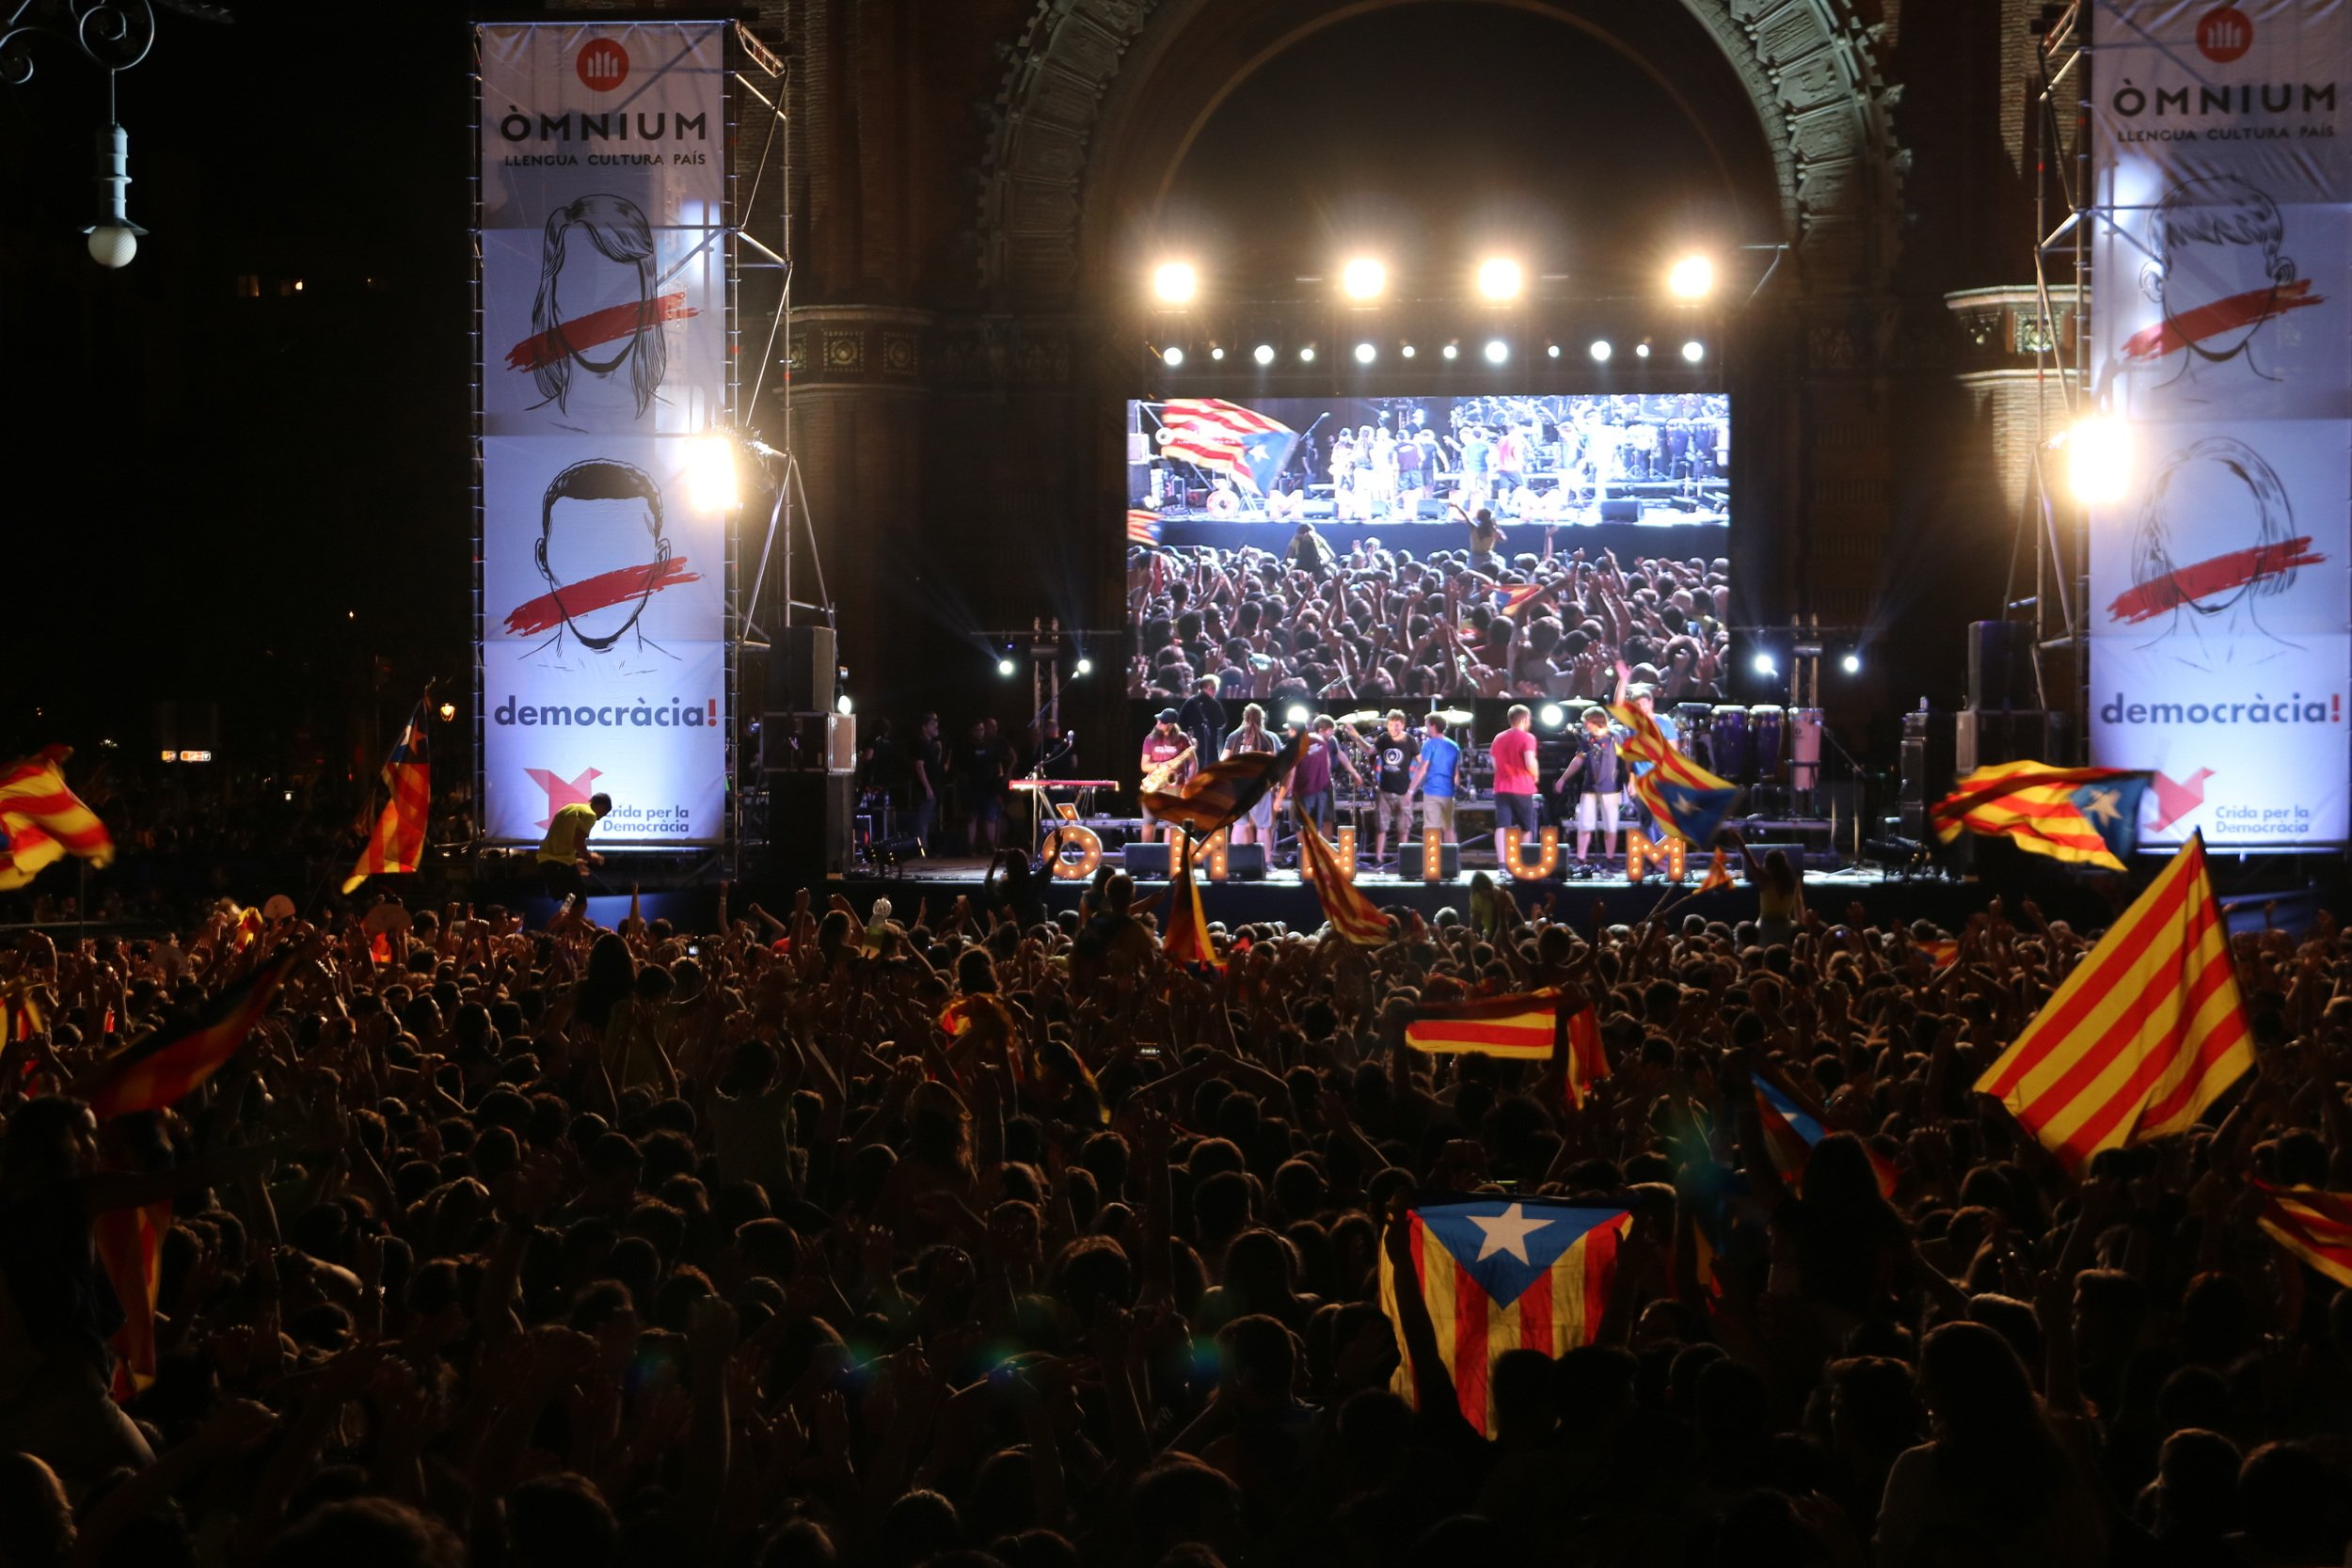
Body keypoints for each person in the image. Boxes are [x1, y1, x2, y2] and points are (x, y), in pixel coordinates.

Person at [1556, 707, 1621, 867]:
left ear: (1595, 720)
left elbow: (1627, 759)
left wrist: (1631, 780)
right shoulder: (1586, 739)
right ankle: (1580, 858)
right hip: (1589, 787)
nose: (1584, 724)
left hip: (1610, 788)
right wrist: (1563, 778)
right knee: (1584, 824)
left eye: (1587, 721)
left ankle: (1610, 859)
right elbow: (1578, 760)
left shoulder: (1615, 737)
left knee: (1610, 826)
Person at [535, 789, 612, 903]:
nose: (600, 818)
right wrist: (589, 856)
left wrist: (575, 862)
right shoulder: (589, 814)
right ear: (602, 807)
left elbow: (562, 839)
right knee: (580, 901)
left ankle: (568, 920)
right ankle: (571, 920)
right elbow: (578, 841)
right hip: (560, 863)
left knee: (569, 901)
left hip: (546, 862)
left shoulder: (569, 808)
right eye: (604, 814)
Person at [1221, 703, 1279, 849]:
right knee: (1263, 826)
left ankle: (1235, 861)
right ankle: (1265, 862)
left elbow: (1223, 761)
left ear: (1244, 717)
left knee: (1240, 824)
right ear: (1262, 719)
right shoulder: (1266, 738)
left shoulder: (1233, 736)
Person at [1139, 707, 1195, 846]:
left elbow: (1193, 763)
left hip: (1174, 787)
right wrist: (1160, 765)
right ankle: (1145, 855)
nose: (1158, 722)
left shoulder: (1182, 738)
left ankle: (1168, 858)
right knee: (1148, 823)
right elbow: (1144, 766)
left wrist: (1188, 782)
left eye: (1162, 721)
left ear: (1170, 725)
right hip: (1154, 785)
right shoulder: (1149, 739)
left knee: (1171, 825)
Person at [1371, 709, 1419, 868]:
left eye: (1397, 725)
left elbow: (1421, 763)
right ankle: (1379, 859)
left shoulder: (1410, 740)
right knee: (1381, 826)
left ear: (1403, 725)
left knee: (1403, 828)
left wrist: (1412, 789)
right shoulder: (1383, 739)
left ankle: (1403, 860)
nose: (1393, 728)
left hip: (1403, 791)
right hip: (1385, 790)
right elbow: (1370, 751)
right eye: (1391, 725)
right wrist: (1356, 736)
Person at [1489, 703, 1542, 846]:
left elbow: (1494, 764)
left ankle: (1502, 863)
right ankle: (1522, 861)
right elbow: (1530, 761)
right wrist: (1535, 775)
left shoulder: (1498, 738)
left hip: (1501, 787)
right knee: (1526, 827)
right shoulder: (1528, 738)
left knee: (1502, 826)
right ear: (1525, 719)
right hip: (1522, 787)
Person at [958, 721, 1009, 854]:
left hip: (989, 787)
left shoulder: (990, 747)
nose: (979, 732)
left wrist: (999, 778)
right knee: (972, 817)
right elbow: (960, 767)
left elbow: (998, 764)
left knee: (990, 817)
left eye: (982, 729)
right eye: (977, 729)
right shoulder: (966, 747)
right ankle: (971, 847)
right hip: (972, 787)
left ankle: (991, 846)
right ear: (972, 731)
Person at [1409, 713, 1461, 845]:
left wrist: (1410, 790)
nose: (1426, 728)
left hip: (1432, 791)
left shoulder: (1429, 745)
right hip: (1448, 793)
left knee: (1432, 829)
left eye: (1427, 725)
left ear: (1433, 726)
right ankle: (1451, 860)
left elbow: (1422, 769)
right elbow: (1456, 773)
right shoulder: (1454, 745)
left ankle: (1433, 861)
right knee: (1449, 828)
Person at [908, 712, 944, 851]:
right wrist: (927, 787)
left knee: (927, 819)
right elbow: (919, 766)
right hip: (925, 788)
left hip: (933, 785)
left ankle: (924, 847)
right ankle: (921, 849)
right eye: (932, 724)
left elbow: (935, 765)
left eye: (936, 723)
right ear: (923, 727)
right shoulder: (920, 743)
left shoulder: (931, 744)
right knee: (922, 819)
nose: (936, 726)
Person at [1179, 674, 1229, 763]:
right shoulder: (1214, 704)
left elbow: (1181, 724)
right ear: (1205, 687)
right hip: (1210, 747)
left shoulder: (1189, 702)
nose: (1215, 691)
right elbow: (1222, 723)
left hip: (1192, 746)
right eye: (1213, 688)